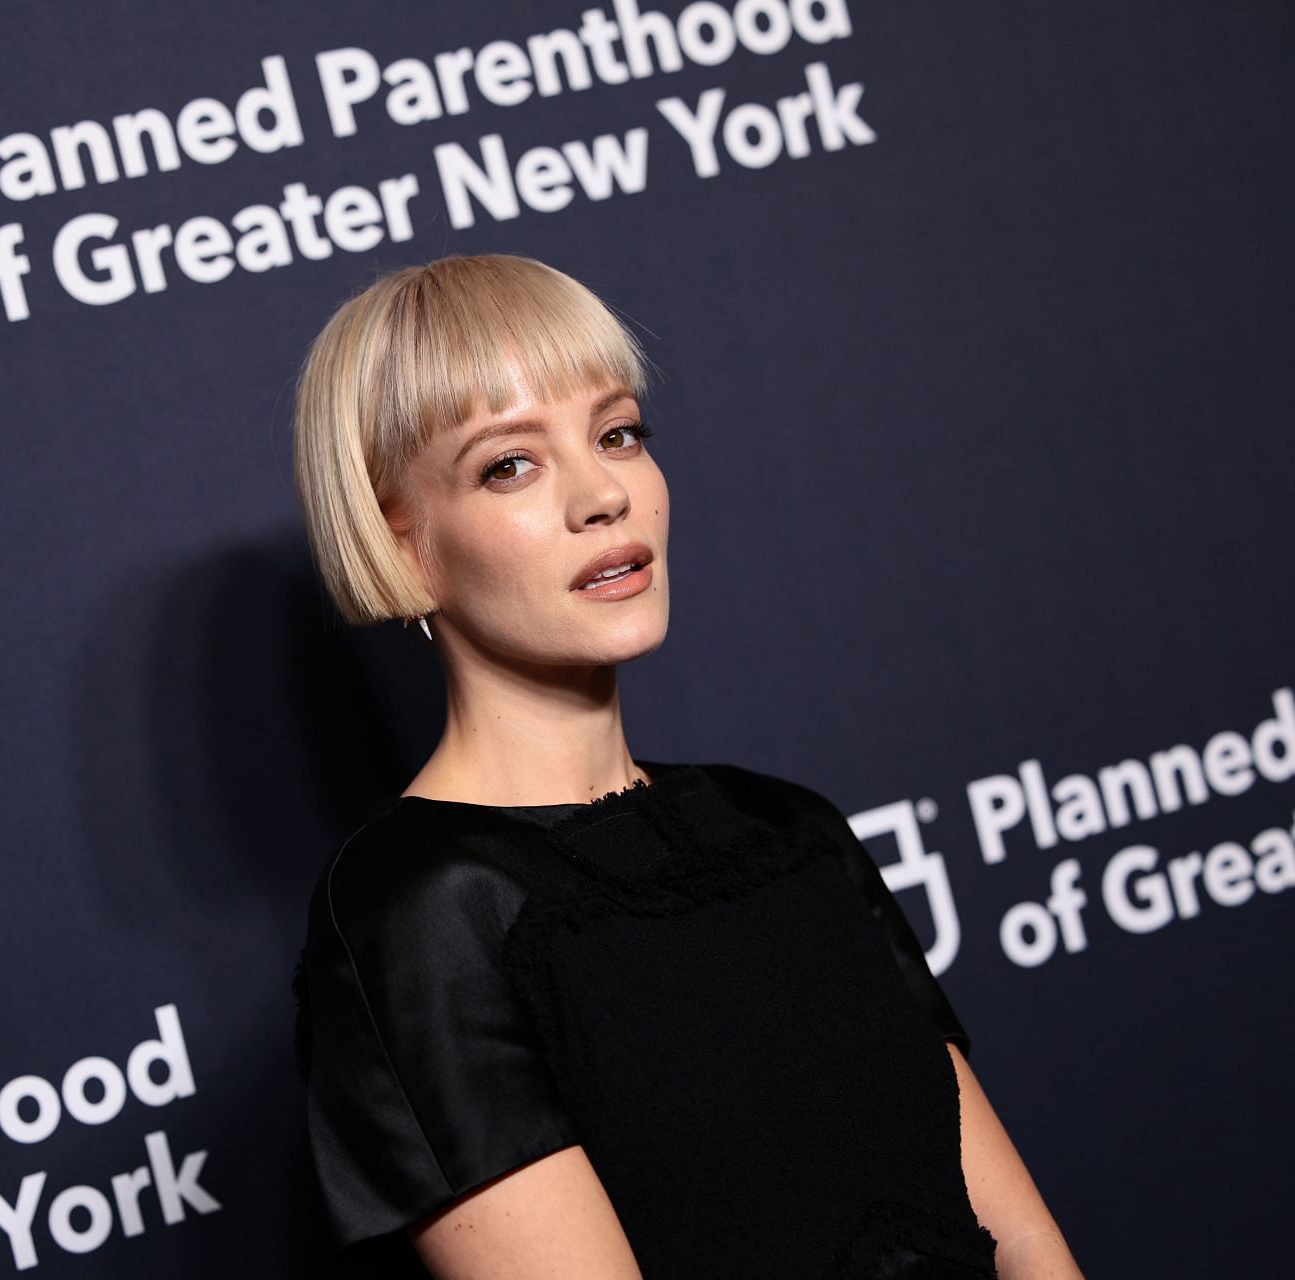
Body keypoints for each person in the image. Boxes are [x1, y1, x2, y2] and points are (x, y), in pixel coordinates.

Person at [287, 254, 1082, 1279]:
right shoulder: (414, 910)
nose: (602, 494)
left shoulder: (784, 829)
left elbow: (1023, 1246)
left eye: (616, 432)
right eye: (509, 464)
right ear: (401, 542)